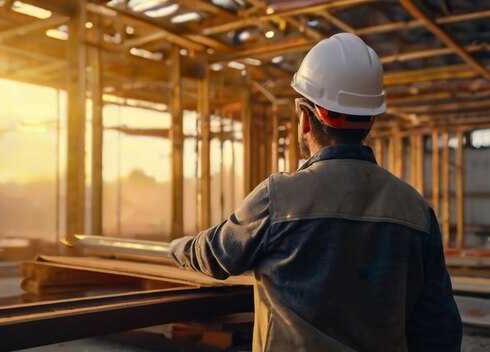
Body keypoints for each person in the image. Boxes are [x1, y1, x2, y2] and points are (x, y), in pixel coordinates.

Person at [169, 33, 462, 351]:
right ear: (371, 119)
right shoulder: (415, 210)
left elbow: (215, 255)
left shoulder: (278, 198)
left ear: (305, 119)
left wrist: (177, 248)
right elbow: (438, 328)